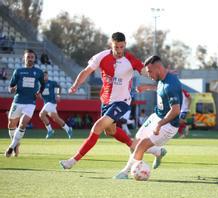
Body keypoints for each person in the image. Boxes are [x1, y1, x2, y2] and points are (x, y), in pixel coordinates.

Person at [59, 32, 162, 169]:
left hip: (122, 102)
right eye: (116, 47)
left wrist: (158, 78)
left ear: (125, 45)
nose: (119, 50)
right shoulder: (101, 56)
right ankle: (155, 150)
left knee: (97, 127)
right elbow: (86, 71)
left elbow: (145, 72)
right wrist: (76, 85)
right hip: (106, 102)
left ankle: (72, 161)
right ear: (111, 45)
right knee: (110, 131)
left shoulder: (130, 60)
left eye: (121, 47)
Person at [114, 55, 182, 179]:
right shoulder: (162, 77)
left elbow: (176, 110)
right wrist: (146, 87)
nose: (149, 75)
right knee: (135, 144)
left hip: (169, 124)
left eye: (150, 71)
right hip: (157, 116)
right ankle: (158, 152)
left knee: (141, 146)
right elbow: (160, 89)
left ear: (158, 68)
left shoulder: (171, 85)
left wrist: (160, 124)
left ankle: (125, 173)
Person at [4, 49, 45, 157]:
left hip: (30, 102)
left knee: (23, 123)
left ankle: (11, 147)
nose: (30, 59)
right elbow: (11, 86)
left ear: (34, 59)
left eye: (32, 57)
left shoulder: (39, 72)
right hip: (17, 101)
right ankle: (16, 144)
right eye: (28, 57)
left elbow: (43, 85)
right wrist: (11, 89)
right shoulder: (18, 71)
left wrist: (39, 92)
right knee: (11, 124)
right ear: (24, 58)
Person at [39, 71, 73, 139]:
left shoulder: (51, 82)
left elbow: (59, 87)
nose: (44, 77)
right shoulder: (39, 84)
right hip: (46, 103)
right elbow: (39, 94)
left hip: (51, 102)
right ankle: (68, 129)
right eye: (43, 76)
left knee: (41, 114)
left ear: (47, 76)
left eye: (45, 75)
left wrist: (58, 95)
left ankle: (50, 130)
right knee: (56, 119)